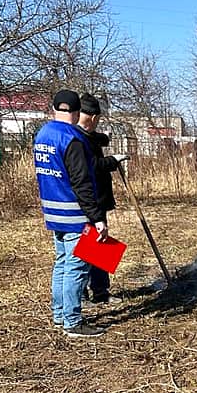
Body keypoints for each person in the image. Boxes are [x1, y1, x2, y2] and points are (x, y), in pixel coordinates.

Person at [33, 89, 108, 338]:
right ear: (77, 113)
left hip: (53, 212)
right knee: (76, 268)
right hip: (75, 214)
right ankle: (73, 322)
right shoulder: (72, 139)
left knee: (62, 264)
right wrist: (97, 218)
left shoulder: (43, 135)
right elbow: (82, 183)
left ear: (54, 109)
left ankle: (59, 315)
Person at [77, 93, 128, 304]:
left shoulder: (87, 134)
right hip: (88, 199)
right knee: (86, 247)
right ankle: (80, 294)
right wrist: (112, 161)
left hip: (98, 198)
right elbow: (92, 166)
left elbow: (97, 138)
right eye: (95, 118)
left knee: (98, 244)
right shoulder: (76, 138)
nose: (95, 123)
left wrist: (104, 137)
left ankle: (100, 291)